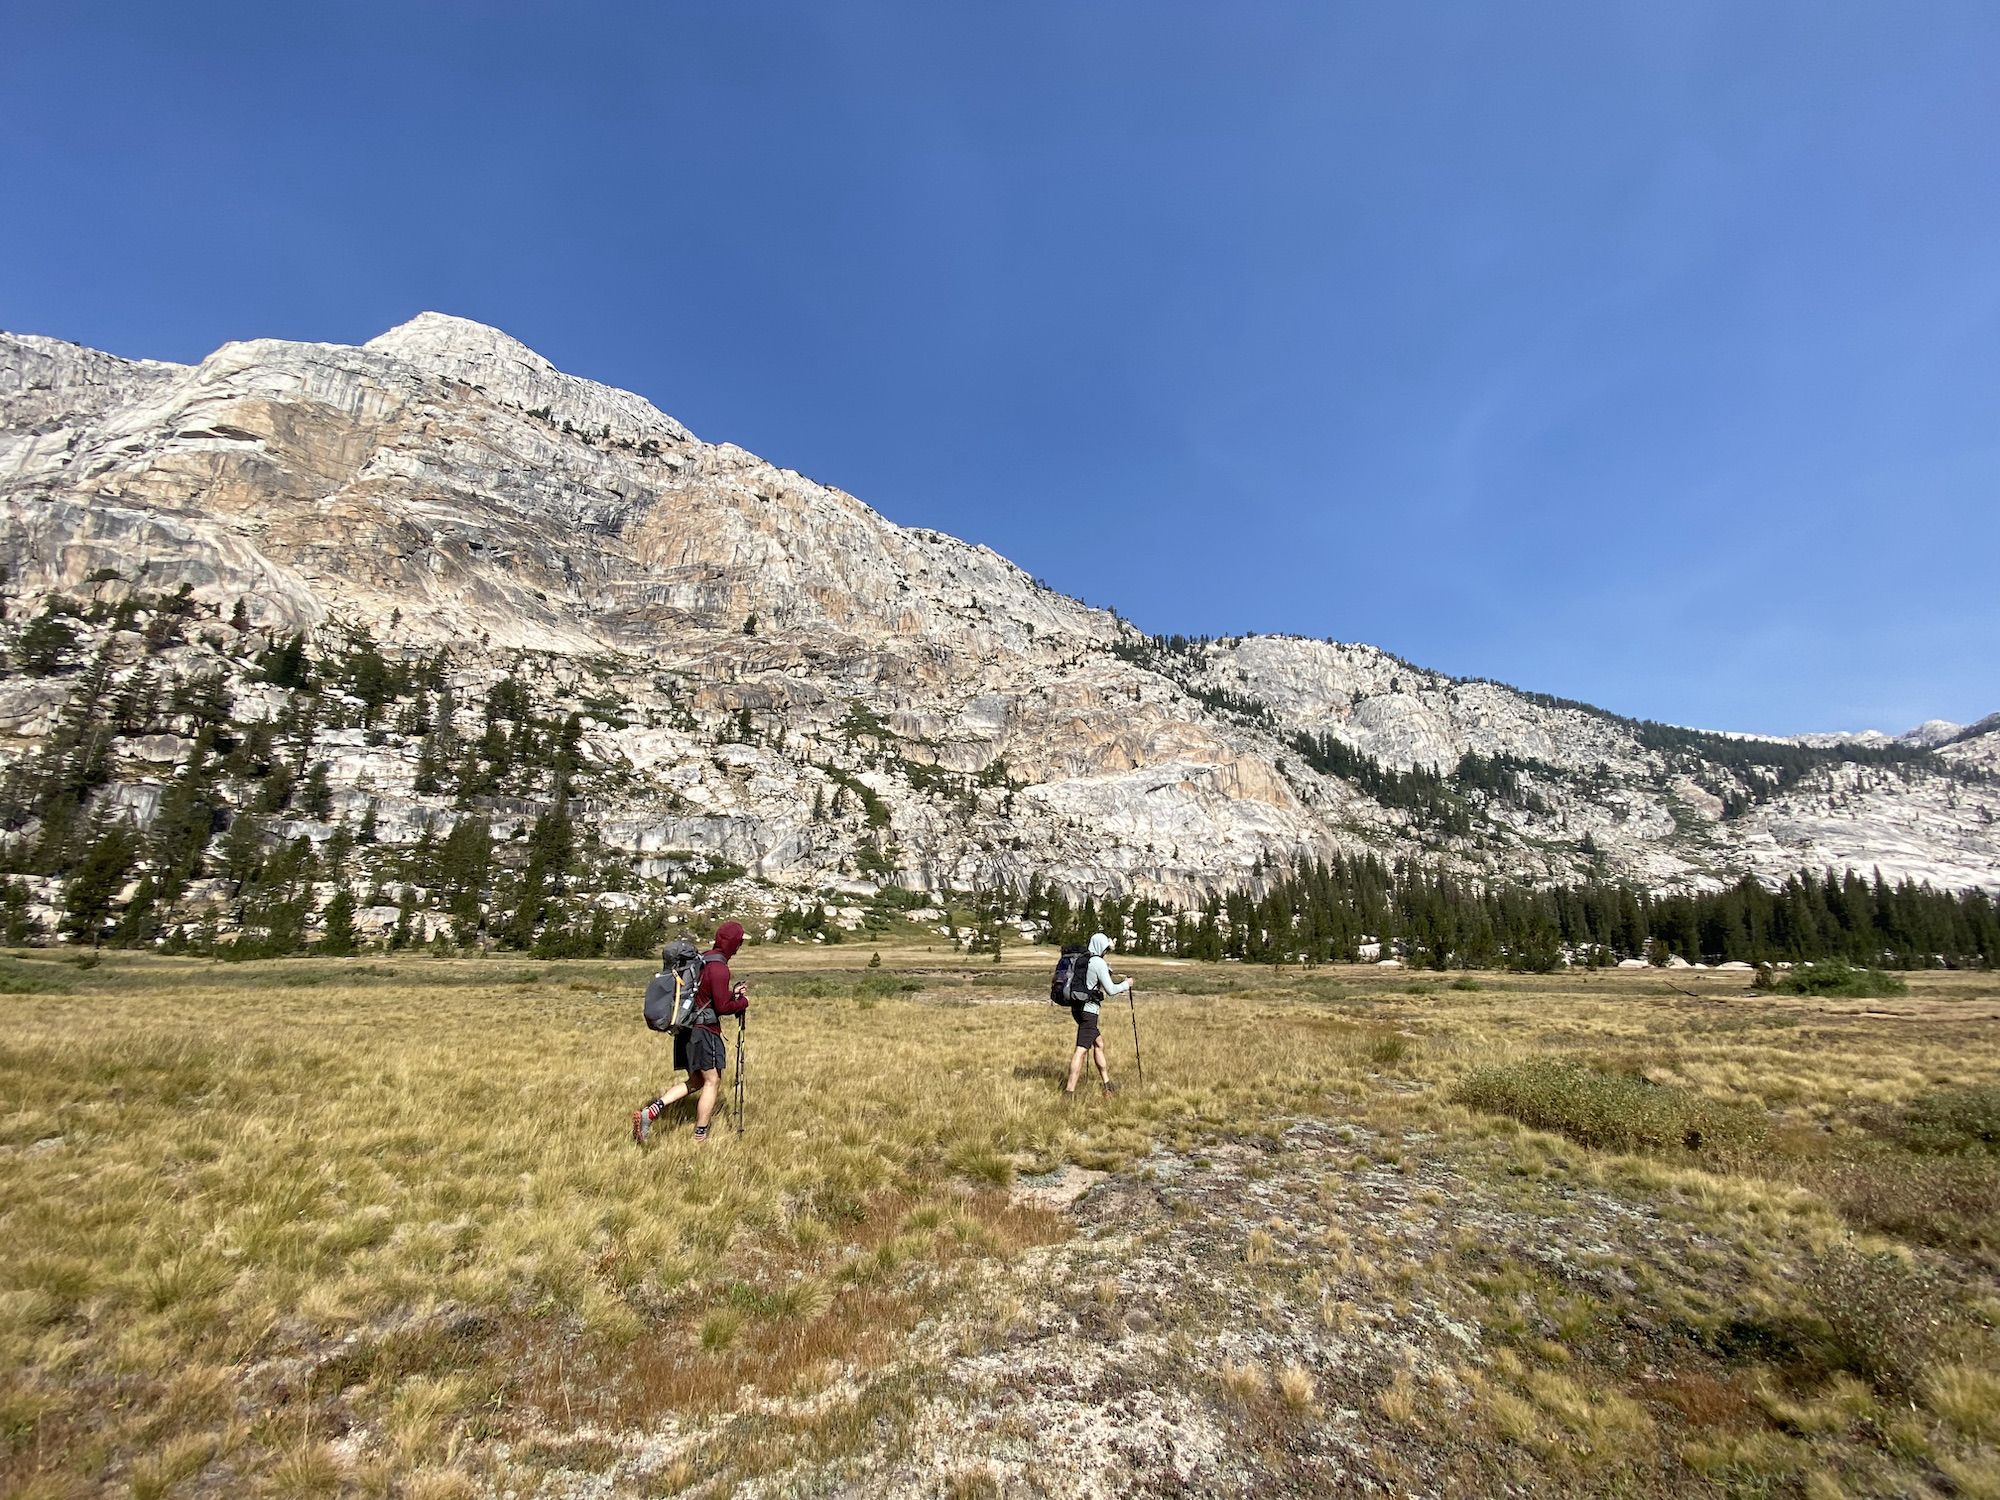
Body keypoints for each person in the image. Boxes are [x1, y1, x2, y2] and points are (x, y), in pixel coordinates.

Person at [633, 920, 748, 1143]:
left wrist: (731, 995)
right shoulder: (720, 968)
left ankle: (651, 1112)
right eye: (738, 943)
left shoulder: (703, 959)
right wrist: (742, 1002)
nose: (738, 947)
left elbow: (706, 997)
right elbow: (722, 1007)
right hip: (705, 1032)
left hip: (686, 1028)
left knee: (696, 1081)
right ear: (732, 943)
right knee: (712, 1081)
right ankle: (700, 1136)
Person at [1066, 931, 1131, 1096]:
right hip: (1090, 1011)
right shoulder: (1098, 963)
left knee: (1099, 1044)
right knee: (1081, 1050)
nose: (1106, 952)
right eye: (1106, 949)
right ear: (1101, 947)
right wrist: (1126, 984)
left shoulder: (1083, 960)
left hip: (1077, 1008)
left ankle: (1107, 1083)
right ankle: (1069, 1092)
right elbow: (1111, 990)